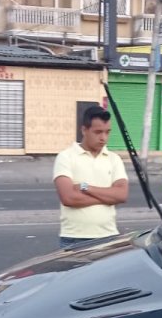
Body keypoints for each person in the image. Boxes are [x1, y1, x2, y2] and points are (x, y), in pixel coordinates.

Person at [53, 106, 129, 249]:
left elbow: (121, 195)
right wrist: (107, 197)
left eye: (107, 132)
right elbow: (68, 198)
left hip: (109, 237)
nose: (103, 138)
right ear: (84, 130)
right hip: (75, 239)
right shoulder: (66, 157)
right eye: (98, 132)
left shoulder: (114, 159)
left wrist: (85, 187)